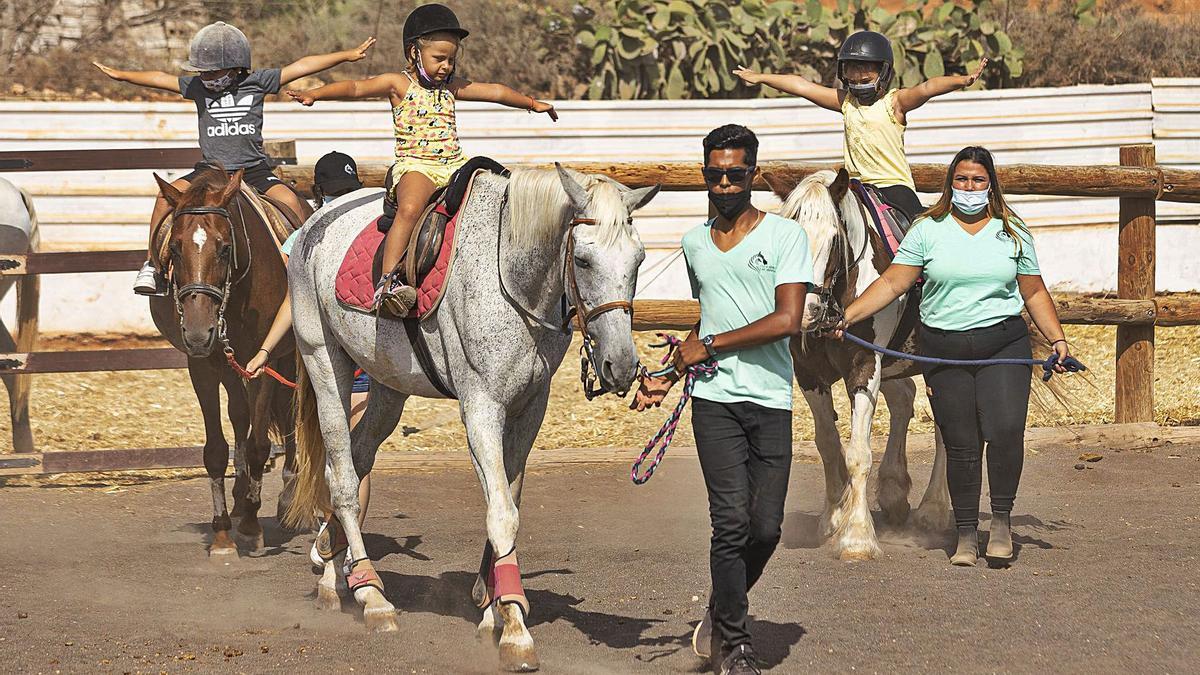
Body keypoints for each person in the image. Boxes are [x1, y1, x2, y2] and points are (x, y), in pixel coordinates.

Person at [831, 146, 1074, 566]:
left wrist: (1057, 339)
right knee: (960, 442)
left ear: (990, 185)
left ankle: (999, 522)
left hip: (1003, 344)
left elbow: (1033, 290)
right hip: (944, 348)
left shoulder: (1012, 230)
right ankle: (964, 532)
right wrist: (848, 316)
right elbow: (893, 283)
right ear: (950, 184)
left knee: (1003, 430)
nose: (969, 188)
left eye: (978, 180)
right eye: (961, 180)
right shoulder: (928, 229)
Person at [633, 125, 811, 674]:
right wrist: (668, 371)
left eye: (737, 173)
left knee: (767, 529)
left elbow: (787, 319)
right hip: (714, 400)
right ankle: (735, 645)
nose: (726, 183)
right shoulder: (692, 242)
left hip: (771, 397)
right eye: (716, 174)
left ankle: (721, 605)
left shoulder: (785, 237)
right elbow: (711, 314)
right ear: (705, 174)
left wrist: (707, 344)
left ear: (753, 174)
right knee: (730, 523)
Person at [286, 3, 557, 317]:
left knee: (494, 198)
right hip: (417, 165)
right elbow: (356, 87)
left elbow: (495, 91)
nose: (446, 66)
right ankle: (387, 285)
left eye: (451, 60)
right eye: (439, 58)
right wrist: (317, 94)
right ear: (414, 53)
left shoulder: (451, 87)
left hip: (455, 164)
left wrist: (532, 103)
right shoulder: (399, 85)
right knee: (411, 208)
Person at [245, 151, 372, 542]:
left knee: (344, 452)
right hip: (353, 355)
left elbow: (291, 302)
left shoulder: (314, 233)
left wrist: (265, 351)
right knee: (347, 453)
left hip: (340, 356)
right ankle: (339, 533)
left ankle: (340, 535)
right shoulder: (362, 226)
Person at [733, 31, 987, 222]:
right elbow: (801, 85)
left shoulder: (895, 103)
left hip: (893, 186)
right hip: (854, 188)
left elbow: (928, 87)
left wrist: (963, 80)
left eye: (865, 78)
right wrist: (761, 77)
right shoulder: (846, 102)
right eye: (852, 77)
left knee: (919, 231)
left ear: (883, 73)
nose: (857, 82)